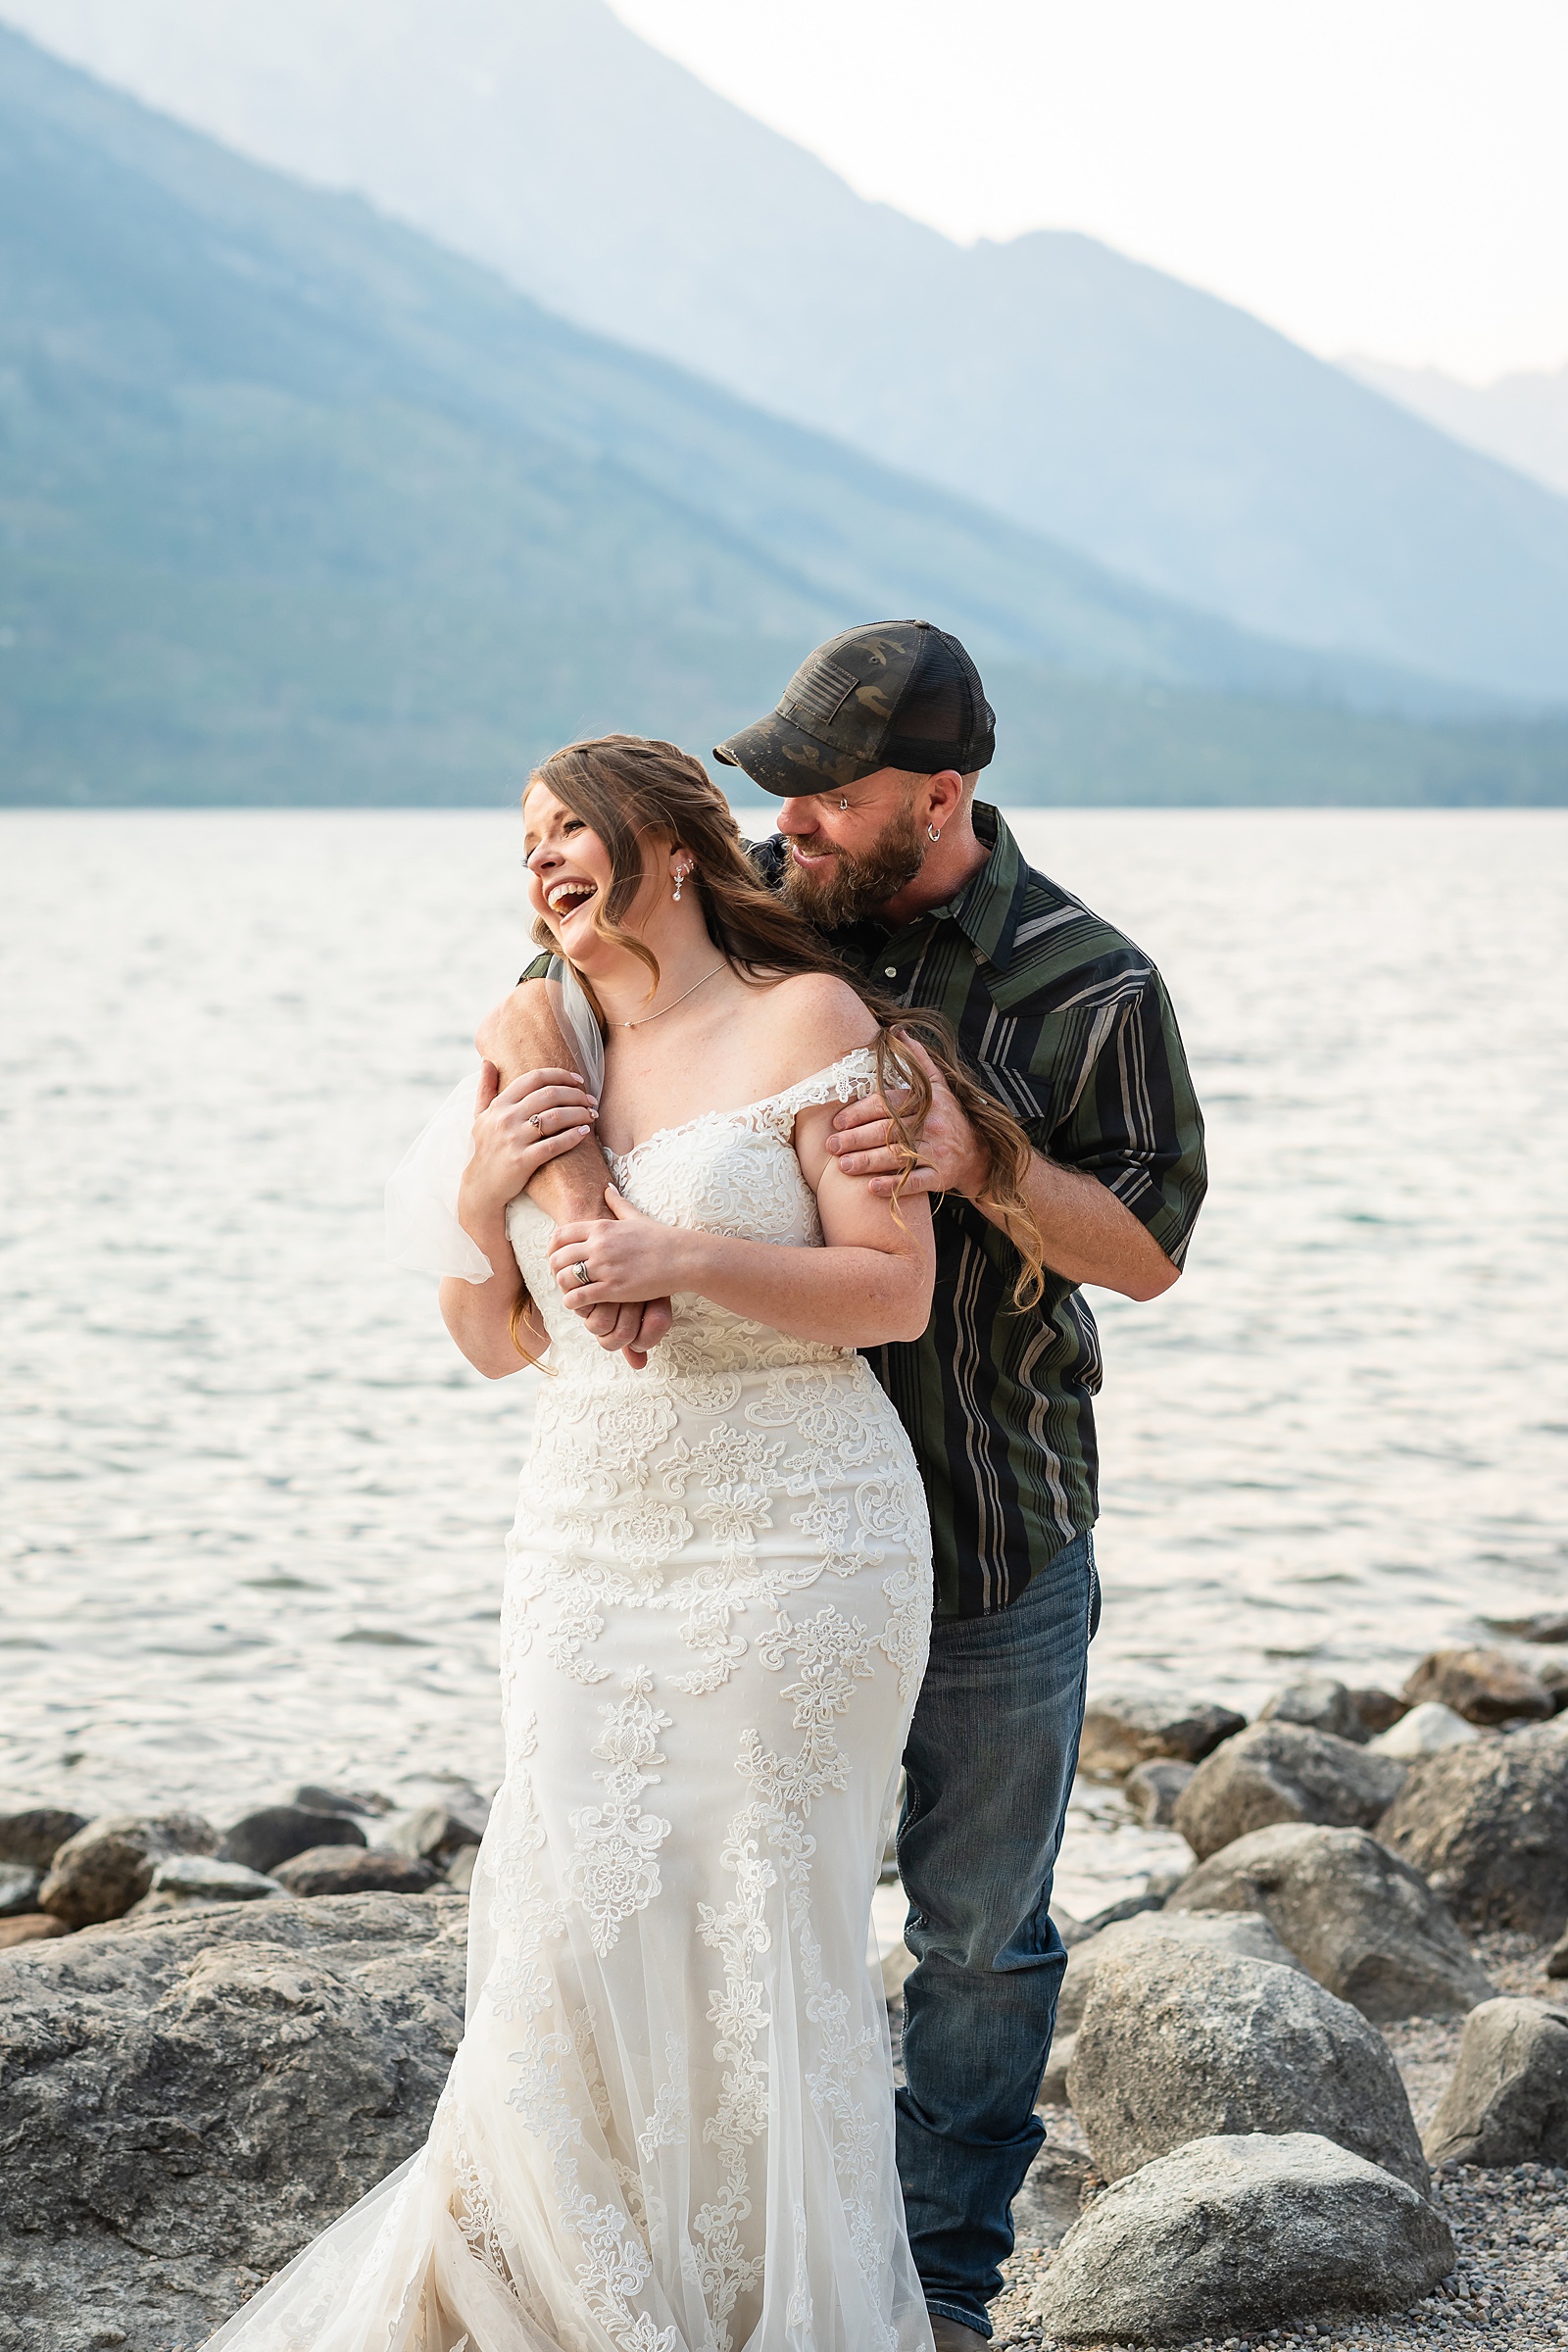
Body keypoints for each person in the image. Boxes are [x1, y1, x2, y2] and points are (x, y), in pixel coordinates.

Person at [206, 731, 1049, 2352]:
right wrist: (487, 1191)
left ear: (672, 847)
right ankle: (578, 2296)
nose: (539, 858)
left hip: (799, 1535)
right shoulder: (543, 1040)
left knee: (763, 1922)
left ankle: (769, 2304)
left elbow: (893, 1294)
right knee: (569, 1915)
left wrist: (685, 1255)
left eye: (568, 828)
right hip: (587, 1536)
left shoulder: (810, 1022)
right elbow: (493, 1338)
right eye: (524, 836)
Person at [482, 624, 1207, 2349]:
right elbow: (552, 1006)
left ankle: (937, 2285)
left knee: (978, 1929)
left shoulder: (1087, 983)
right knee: (716, 1904)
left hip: (992, 1504)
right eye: (778, 787)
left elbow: (1149, 1253)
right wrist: (571, 1207)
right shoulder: (749, 912)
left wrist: (986, 1160)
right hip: (721, 1509)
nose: (788, 820)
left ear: (940, 798)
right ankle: (728, 2254)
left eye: (829, 794)